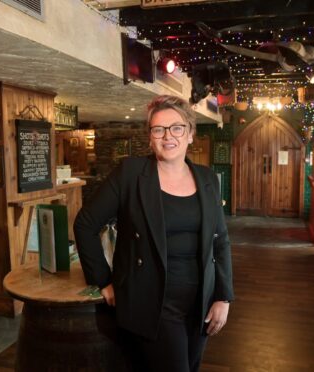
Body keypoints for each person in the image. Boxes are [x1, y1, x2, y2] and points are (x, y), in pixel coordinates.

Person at [74, 95, 234, 372]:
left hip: (201, 302)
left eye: (177, 128)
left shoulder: (207, 178)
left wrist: (223, 296)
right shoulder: (131, 174)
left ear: (190, 134)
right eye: (158, 129)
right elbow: (85, 224)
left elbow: (220, 241)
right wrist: (103, 280)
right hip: (153, 303)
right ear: (150, 137)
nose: (167, 136)